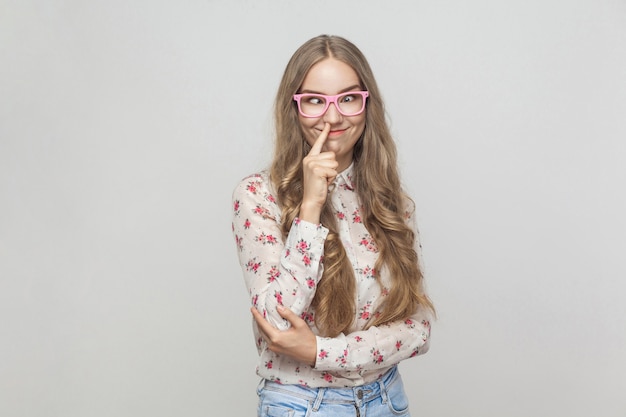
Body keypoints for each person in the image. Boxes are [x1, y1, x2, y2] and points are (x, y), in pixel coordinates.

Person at [231, 34, 435, 417]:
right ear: (293, 108)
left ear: (366, 103)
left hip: (387, 400)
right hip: (304, 405)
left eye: (347, 98)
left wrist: (320, 352)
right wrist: (310, 206)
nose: (333, 116)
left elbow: (418, 329)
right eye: (314, 100)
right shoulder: (258, 196)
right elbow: (275, 323)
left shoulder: (392, 201)